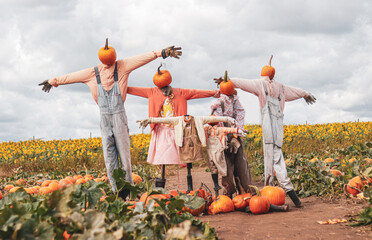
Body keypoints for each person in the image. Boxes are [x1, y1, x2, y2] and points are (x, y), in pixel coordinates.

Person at [39, 40, 182, 199]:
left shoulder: (122, 66)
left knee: (124, 156)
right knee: (109, 157)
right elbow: (71, 76)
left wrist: (162, 52)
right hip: (104, 119)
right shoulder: (92, 73)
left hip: (119, 116)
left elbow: (141, 59)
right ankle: (117, 192)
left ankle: (128, 189)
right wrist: (54, 81)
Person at [214, 56, 316, 207]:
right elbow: (297, 91)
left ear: (264, 75)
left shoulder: (260, 84)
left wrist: (227, 80)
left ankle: (283, 192)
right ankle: (281, 193)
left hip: (268, 126)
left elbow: (242, 83)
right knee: (276, 154)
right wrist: (306, 94)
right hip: (278, 126)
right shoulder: (281, 88)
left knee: (273, 158)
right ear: (273, 75)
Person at [127, 65, 220, 188]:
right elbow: (133, 90)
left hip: (178, 130)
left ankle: (189, 187)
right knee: (162, 158)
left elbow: (196, 92)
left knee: (184, 156)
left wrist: (214, 93)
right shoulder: (151, 92)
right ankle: (161, 187)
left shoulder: (180, 92)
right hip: (162, 130)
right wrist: (121, 87)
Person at [137, 115, 236, 192]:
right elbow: (164, 120)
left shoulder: (198, 119)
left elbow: (213, 119)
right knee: (187, 166)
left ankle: (192, 187)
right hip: (184, 147)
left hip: (195, 146)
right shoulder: (178, 120)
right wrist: (150, 120)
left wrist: (227, 119)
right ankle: (189, 187)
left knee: (194, 166)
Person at [210, 89, 253, 198]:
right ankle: (228, 193)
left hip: (235, 134)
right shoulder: (219, 103)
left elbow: (240, 113)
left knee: (241, 164)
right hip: (222, 136)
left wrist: (235, 136)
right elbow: (217, 122)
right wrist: (224, 138)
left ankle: (245, 191)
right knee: (227, 166)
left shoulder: (235, 101)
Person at [204, 118, 247, 196]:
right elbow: (198, 130)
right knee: (213, 168)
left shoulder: (220, 129)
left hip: (218, 151)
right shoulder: (206, 130)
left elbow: (228, 130)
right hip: (210, 151)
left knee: (223, 168)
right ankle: (216, 185)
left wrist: (238, 131)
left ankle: (230, 190)